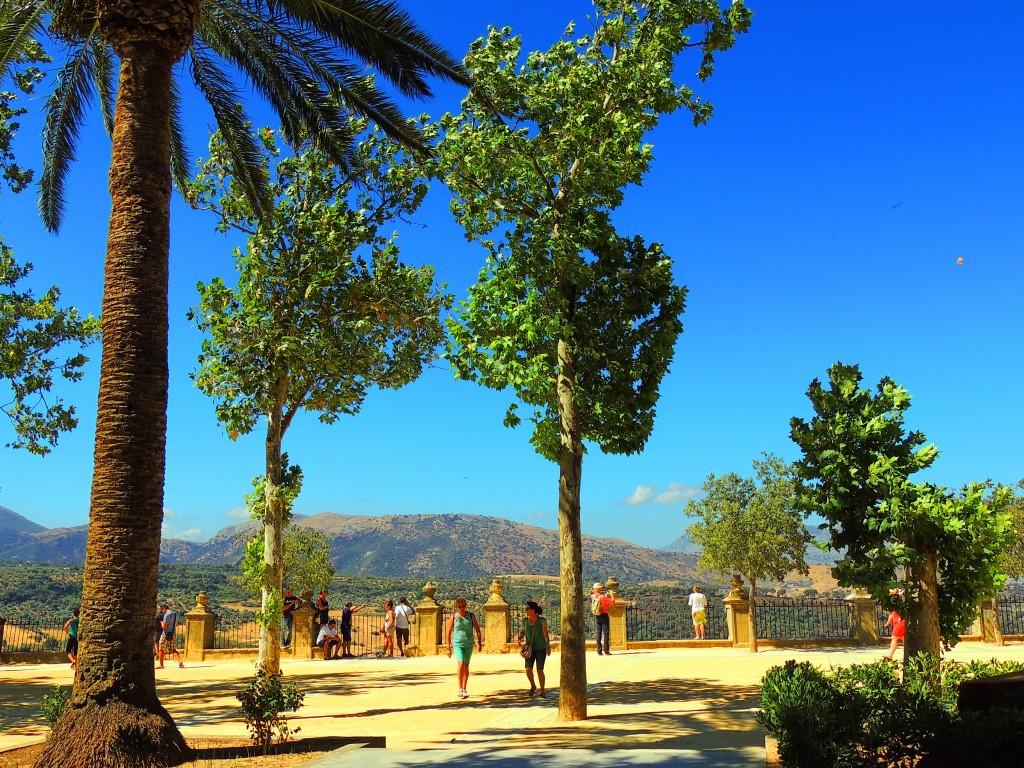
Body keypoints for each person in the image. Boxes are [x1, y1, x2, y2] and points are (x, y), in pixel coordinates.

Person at [446, 597, 482, 700]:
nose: (462, 608)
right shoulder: (454, 617)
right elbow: (448, 633)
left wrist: (479, 643)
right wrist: (448, 648)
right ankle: (460, 688)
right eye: (460, 607)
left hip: (468, 644)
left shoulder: (471, 616)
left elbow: (478, 630)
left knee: (466, 666)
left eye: (463, 606)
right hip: (458, 644)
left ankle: (465, 688)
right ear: (456, 607)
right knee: (461, 663)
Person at [517, 601, 551, 698]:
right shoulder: (525, 621)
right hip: (529, 648)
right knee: (528, 669)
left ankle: (542, 690)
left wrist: (548, 647)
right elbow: (523, 632)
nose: (526, 611)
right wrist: (519, 637)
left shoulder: (542, 621)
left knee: (540, 670)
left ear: (532, 610)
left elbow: (546, 635)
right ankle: (533, 685)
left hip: (540, 648)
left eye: (527, 609)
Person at [591, 583, 615, 655]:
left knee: (598, 633)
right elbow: (612, 602)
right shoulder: (602, 597)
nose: (602, 589)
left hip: (597, 615)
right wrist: (611, 595)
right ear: (599, 589)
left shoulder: (593, 596)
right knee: (606, 633)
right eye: (601, 588)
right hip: (604, 615)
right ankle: (606, 650)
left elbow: (596, 596)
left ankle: (599, 650)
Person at [158, 603, 184, 669]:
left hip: (165, 634)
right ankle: (180, 661)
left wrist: (161, 623)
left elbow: (164, 627)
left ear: (164, 609)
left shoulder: (166, 615)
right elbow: (177, 623)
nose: (162, 612)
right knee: (172, 649)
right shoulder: (175, 614)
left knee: (161, 649)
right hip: (173, 633)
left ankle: (161, 665)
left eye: (162, 610)